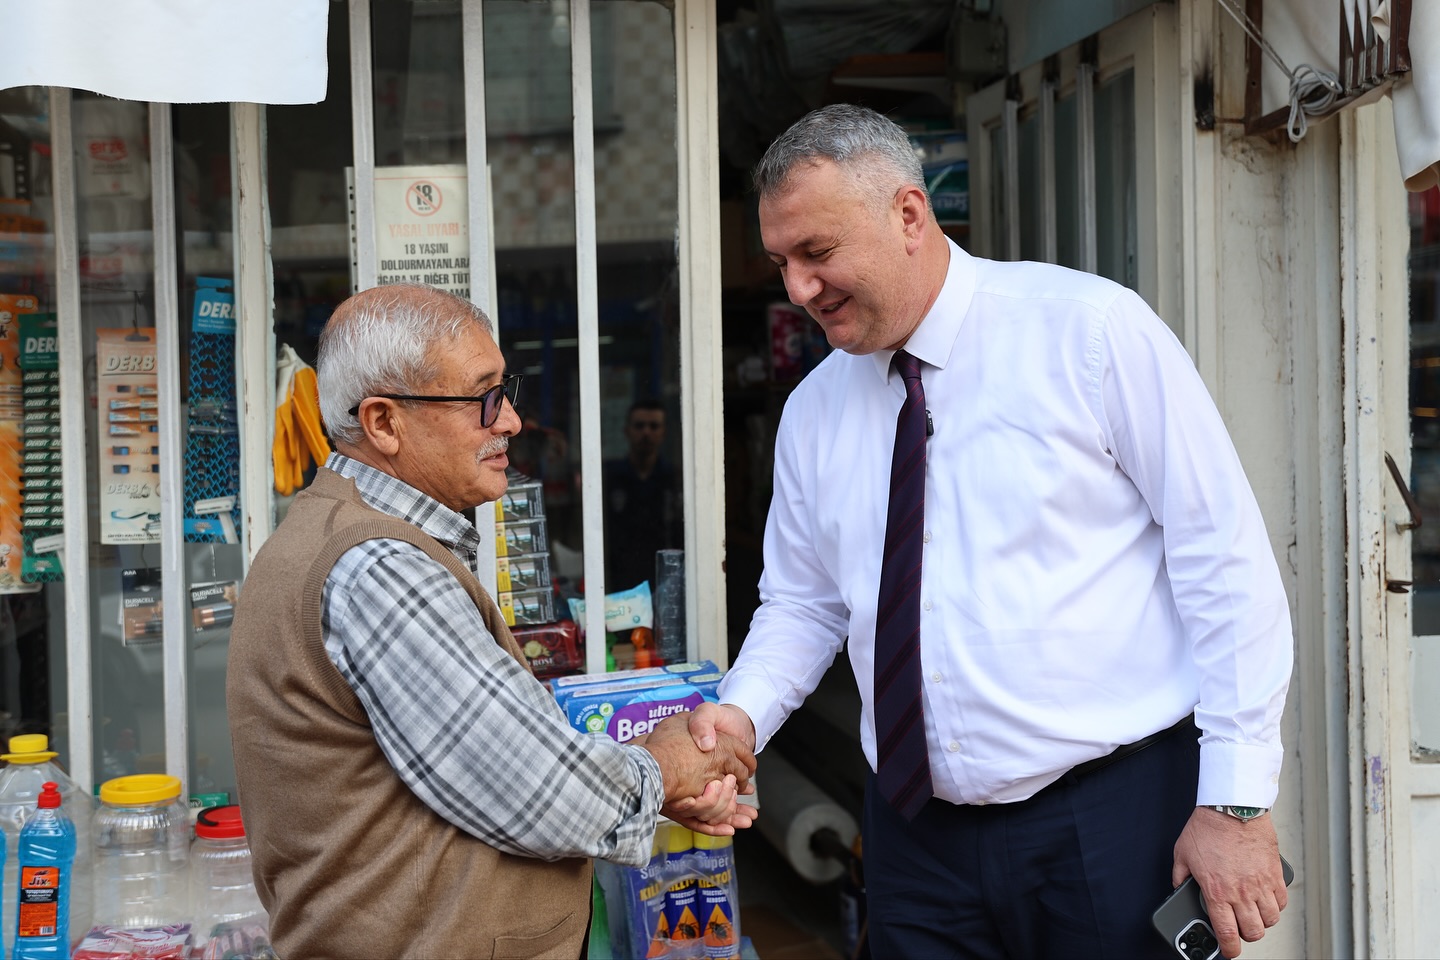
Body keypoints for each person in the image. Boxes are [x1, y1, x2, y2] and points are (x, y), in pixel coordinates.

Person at [688, 104, 1294, 959]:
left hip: (1111, 816)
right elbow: (804, 604)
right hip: (913, 836)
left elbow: (1223, 560)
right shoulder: (814, 411)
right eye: (782, 262)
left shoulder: (1088, 331)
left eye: (817, 254)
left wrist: (1234, 803)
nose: (796, 289)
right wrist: (742, 717)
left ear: (908, 213)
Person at [227, 283, 755, 959]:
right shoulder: (378, 566)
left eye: (508, 392)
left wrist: (640, 785)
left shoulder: (361, 541)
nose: (509, 421)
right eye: (482, 398)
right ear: (384, 422)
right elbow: (542, 790)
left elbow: (496, 756)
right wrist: (668, 765)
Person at [603, 398, 681, 591]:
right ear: (627, 431)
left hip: (665, 583)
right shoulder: (609, 479)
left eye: (654, 426)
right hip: (618, 583)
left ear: (663, 433)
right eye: (639, 426)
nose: (646, 432)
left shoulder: (675, 479)